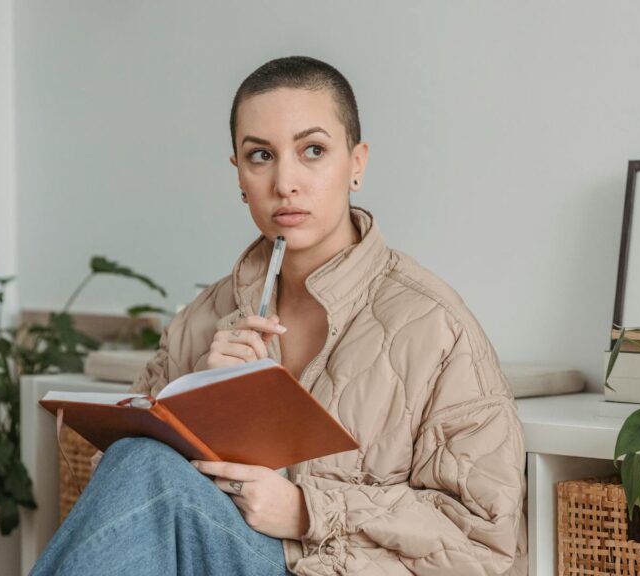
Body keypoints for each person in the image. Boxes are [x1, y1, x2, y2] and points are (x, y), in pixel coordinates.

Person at [31, 56, 527, 575]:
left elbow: (482, 543)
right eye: (261, 156)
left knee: (144, 467)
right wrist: (199, 390)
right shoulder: (205, 319)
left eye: (313, 151)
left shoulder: (436, 326)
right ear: (239, 174)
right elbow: (127, 511)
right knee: (139, 461)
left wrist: (307, 510)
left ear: (357, 163)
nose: (285, 182)